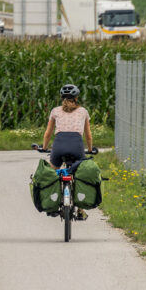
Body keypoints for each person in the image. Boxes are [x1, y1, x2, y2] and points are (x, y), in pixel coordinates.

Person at [42, 84, 93, 218]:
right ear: (76, 98)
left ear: (61, 97)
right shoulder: (83, 111)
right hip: (77, 146)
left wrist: (44, 147)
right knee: (80, 175)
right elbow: (88, 135)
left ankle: (52, 205)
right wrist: (90, 149)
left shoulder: (55, 111)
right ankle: (81, 210)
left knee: (52, 174)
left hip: (59, 146)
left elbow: (48, 134)